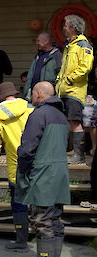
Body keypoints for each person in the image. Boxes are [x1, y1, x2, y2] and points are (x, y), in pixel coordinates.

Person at [15, 82, 70, 257]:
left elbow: (27, 148)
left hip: (42, 175)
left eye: (32, 94)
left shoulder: (38, 114)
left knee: (42, 222)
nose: (31, 97)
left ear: (39, 94)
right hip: (60, 175)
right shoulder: (62, 116)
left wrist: (23, 171)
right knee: (55, 220)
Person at [0, 82, 33, 251]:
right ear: (14, 93)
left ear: (1, 97)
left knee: (18, 203)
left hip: (15, 165)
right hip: (37, 163)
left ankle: (21, 241)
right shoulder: (30, 107)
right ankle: (43, 238)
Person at [56, 15, 94, 164]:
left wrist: (70, 79)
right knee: (69, 122)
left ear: (72, 28)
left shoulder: (83, 45)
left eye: (66, 25)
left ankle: (79, 155)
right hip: (64, 90)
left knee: (74, 121)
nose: (64, 28)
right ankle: (74, 152)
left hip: (75, 91)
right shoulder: (70, 45)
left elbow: (85, 67)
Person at [24, 32, 62, 101]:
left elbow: (60, 75)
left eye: (38, 41)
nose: (37, 43)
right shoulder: (38, 55)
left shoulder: (57, 56)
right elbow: (31, 74)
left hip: (47, 97)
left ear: (46, 41)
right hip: (34, 96)